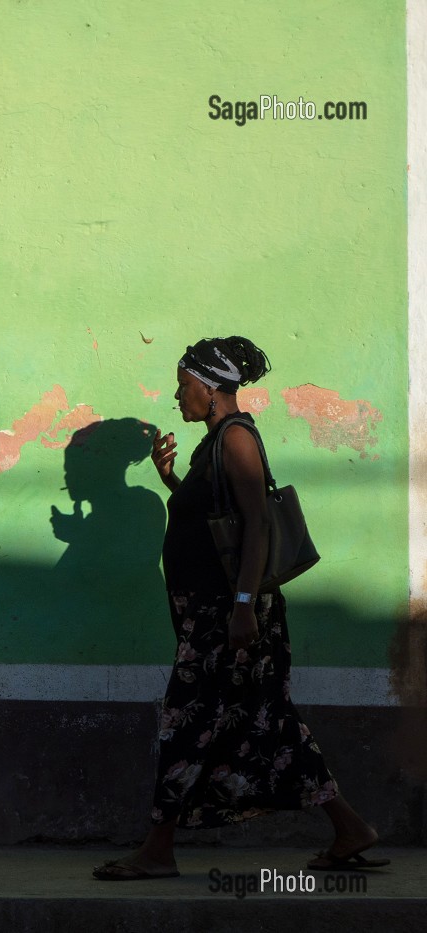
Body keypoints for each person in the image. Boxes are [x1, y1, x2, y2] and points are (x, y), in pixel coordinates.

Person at [93, 336, 387, 880]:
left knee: (185, 723)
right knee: (268, 720)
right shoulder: (215, 442)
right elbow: (217, 521)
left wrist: (244, 607)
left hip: (229, 617)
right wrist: (171, 483)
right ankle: (349, 828)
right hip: (218, 615)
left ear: (210, 387)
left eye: (184, 386)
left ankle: (158, 850)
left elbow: (254, 527)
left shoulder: (235, 439)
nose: (177, 397)